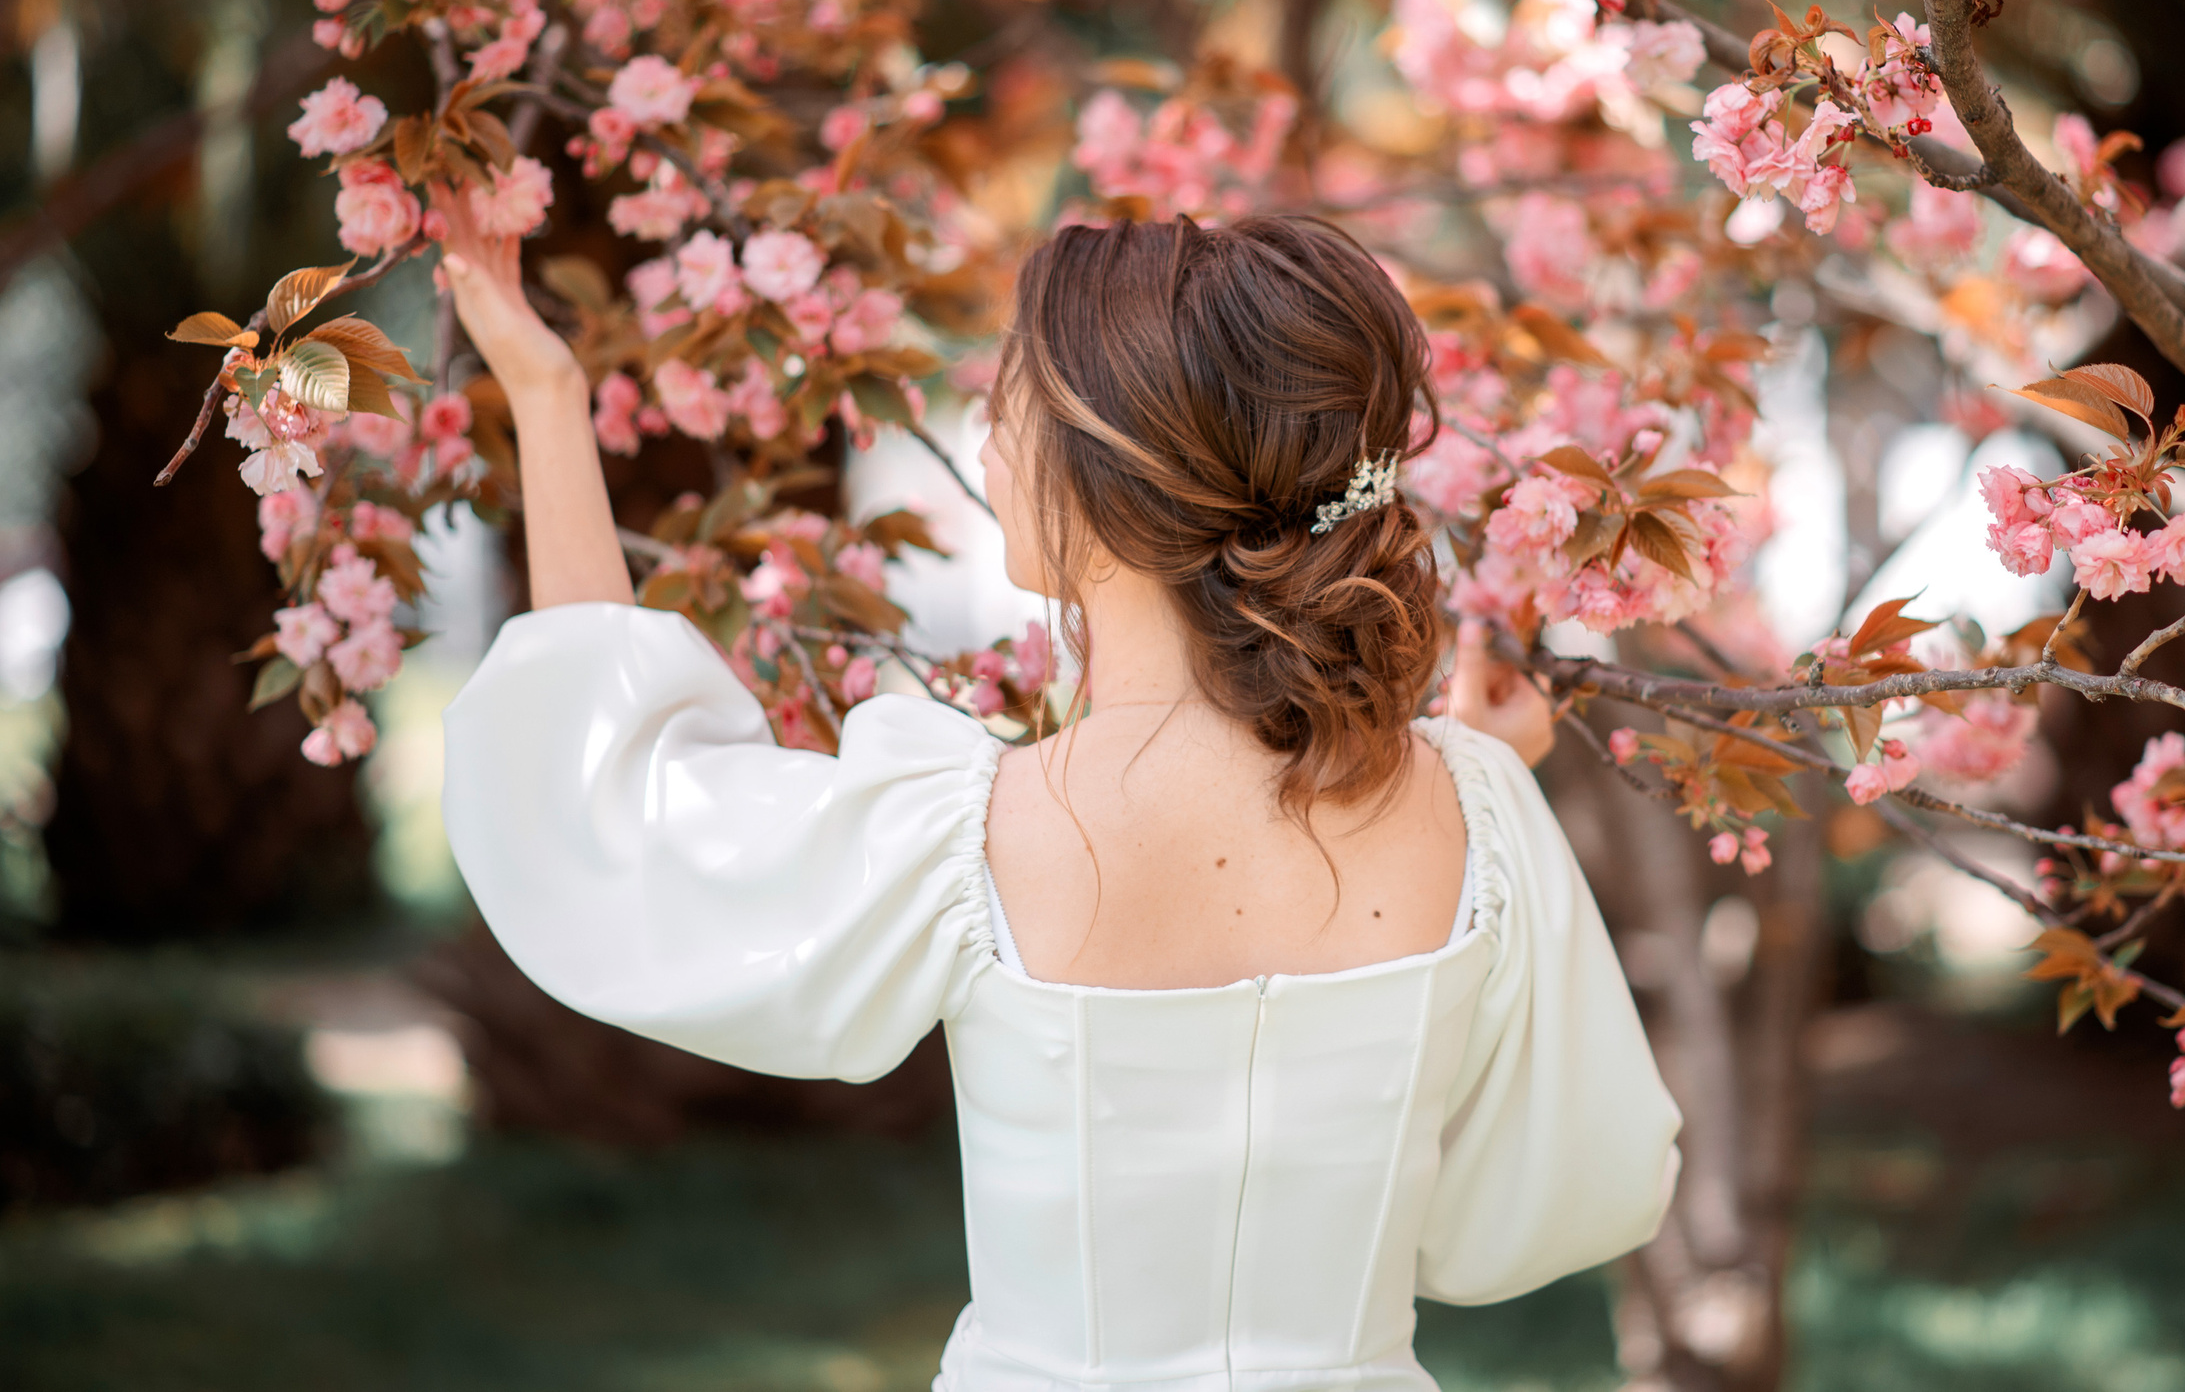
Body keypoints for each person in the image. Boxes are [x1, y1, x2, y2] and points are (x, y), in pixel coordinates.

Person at [437, 197, 1681, 1392]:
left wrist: (546, 396)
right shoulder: (1475, 811)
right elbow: (1583, 1178)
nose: (985, 444)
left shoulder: (976, 833)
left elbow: (620, 810)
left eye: (1009, 404)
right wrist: (1485, 769)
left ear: (1108, 473)